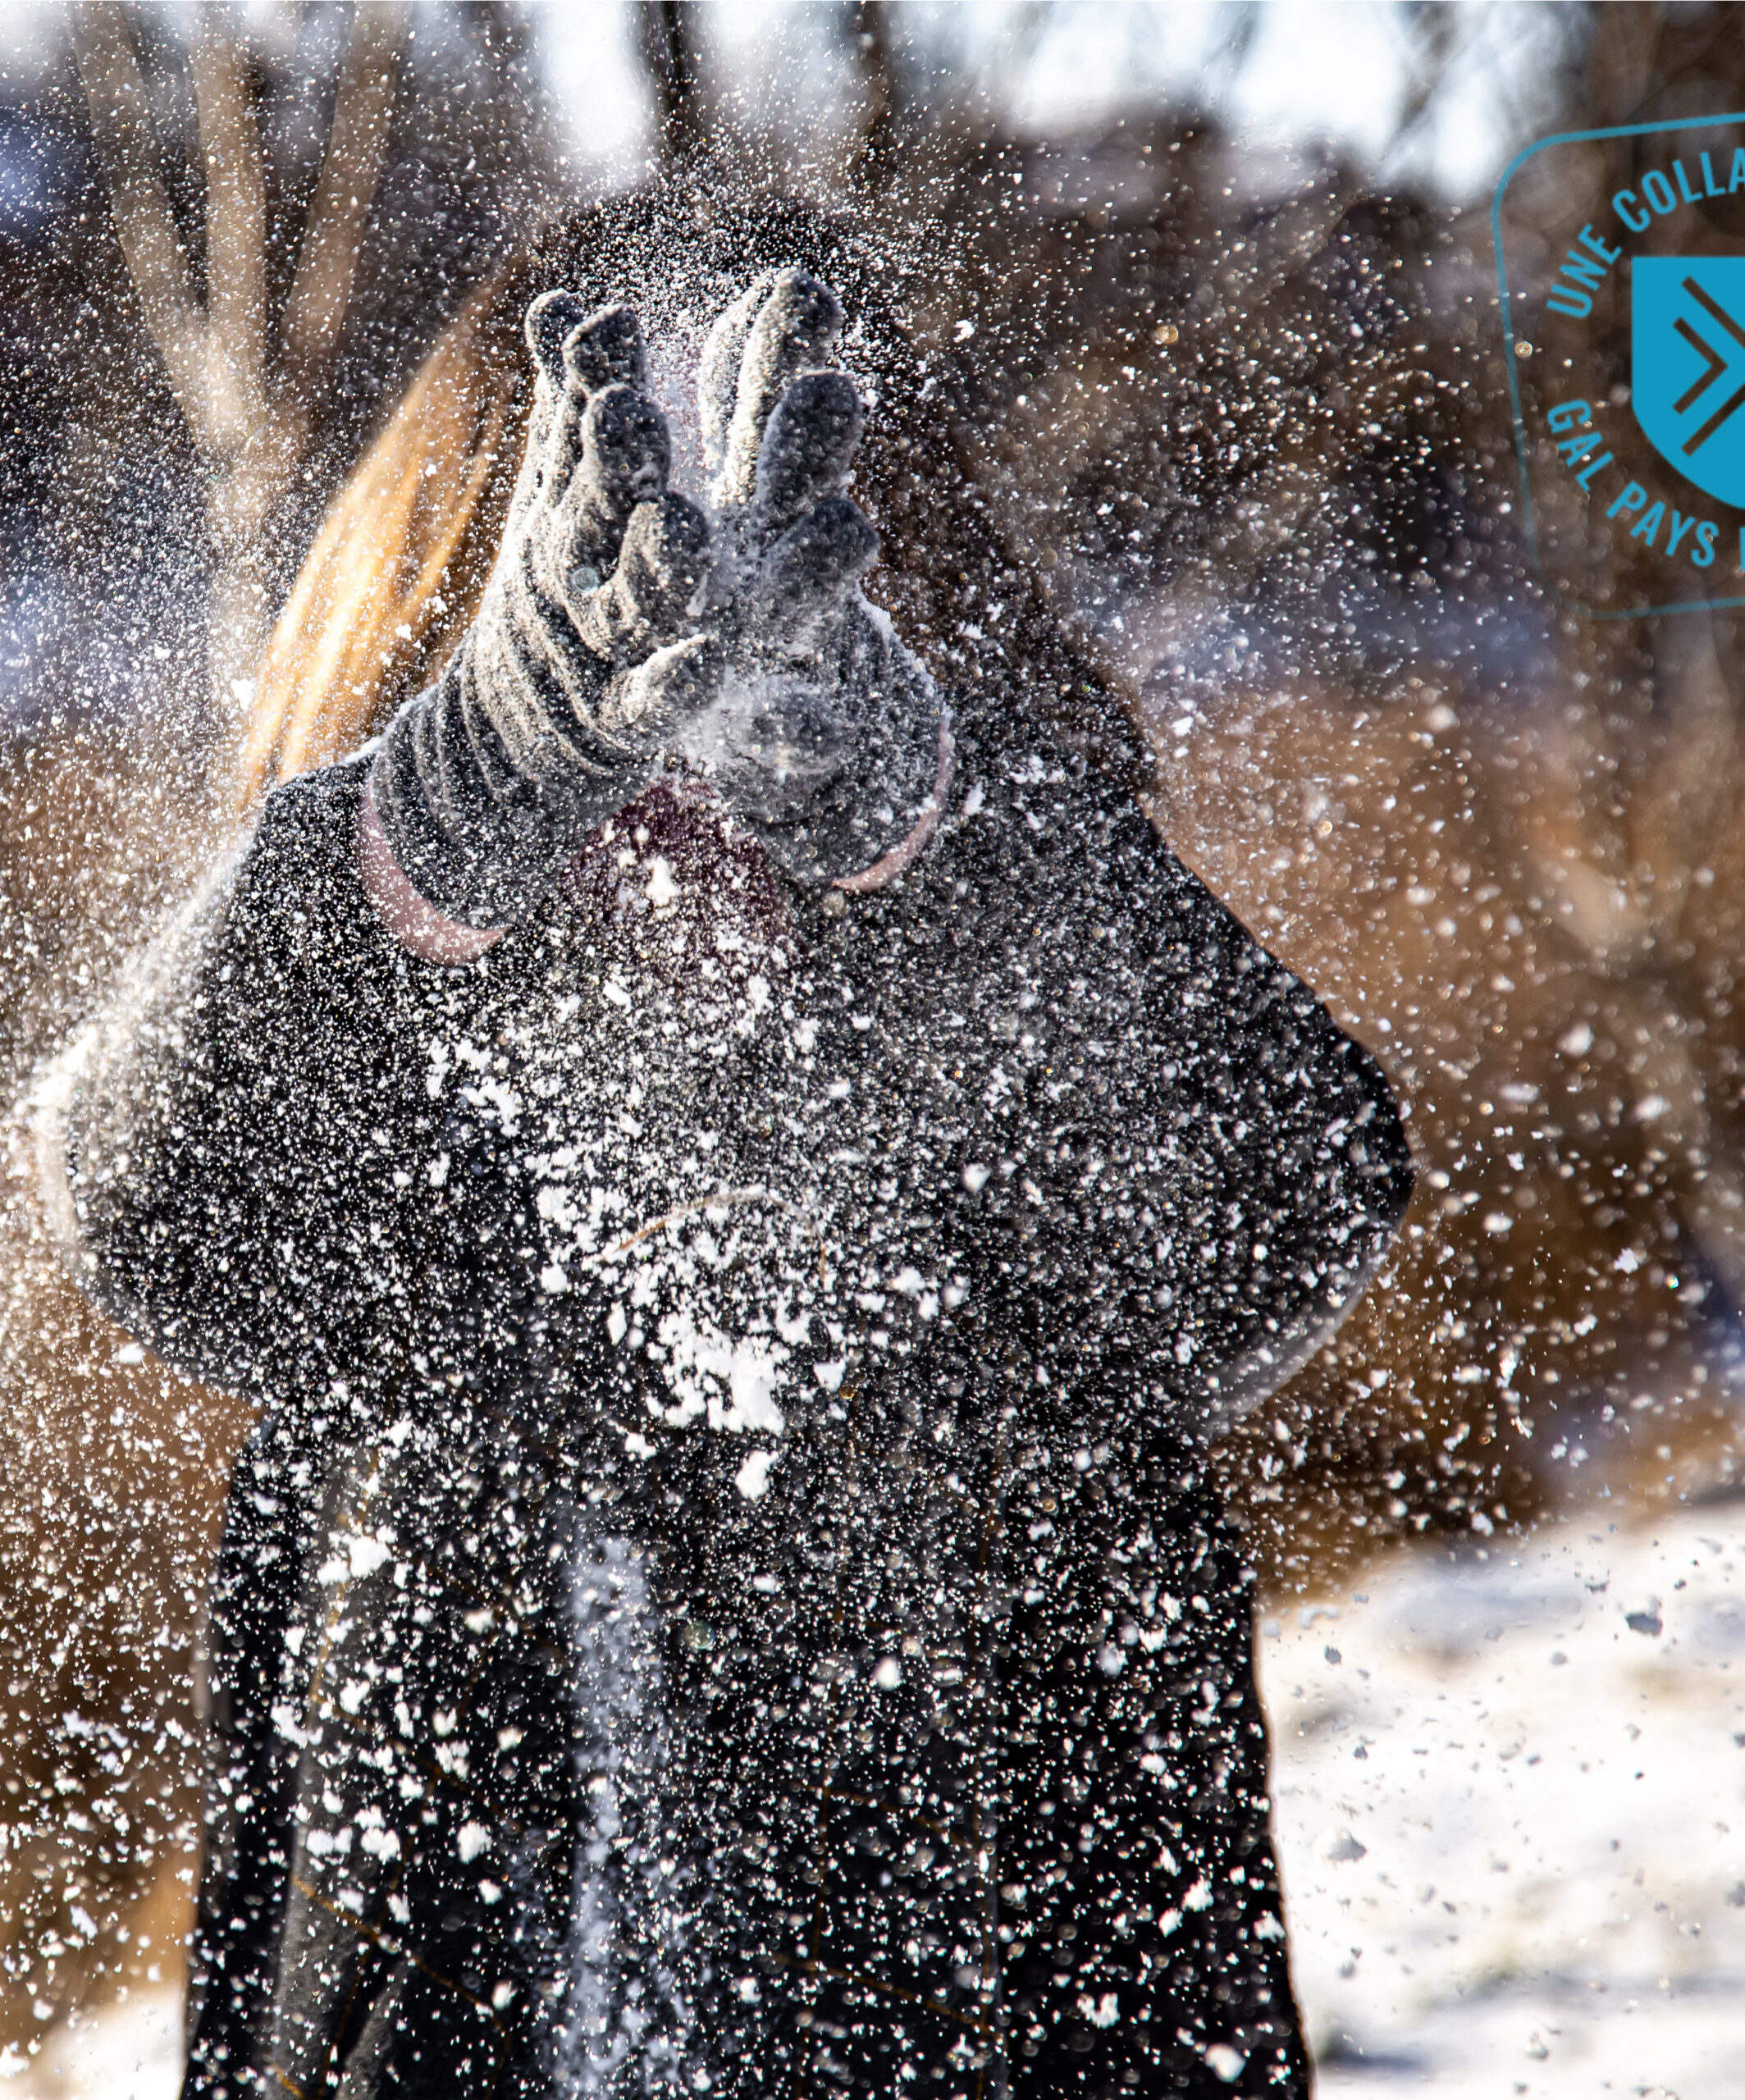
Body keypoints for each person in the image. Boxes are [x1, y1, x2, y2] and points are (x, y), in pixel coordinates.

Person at [32, 197, 1409, 2098]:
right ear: (452, 615)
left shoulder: (1028, 1005)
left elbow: (1286, 1201)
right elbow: (148, 1208)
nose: (678, 710)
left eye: (780, 575)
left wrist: (927, 837)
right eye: (602, 579)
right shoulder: (378, 1090)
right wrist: (444, 811)